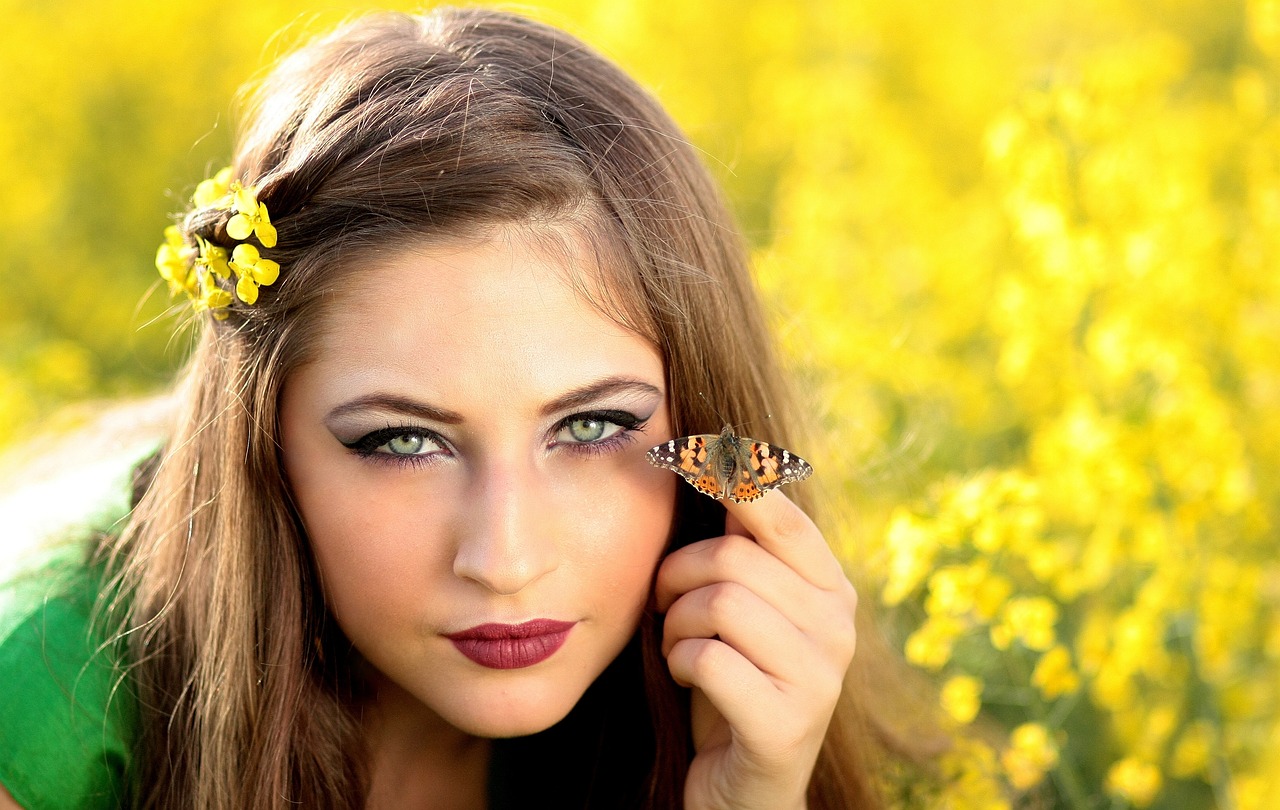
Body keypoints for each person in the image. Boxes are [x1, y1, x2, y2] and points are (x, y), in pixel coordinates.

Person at [0, 7, 934, 808]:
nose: (505, 561)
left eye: (593, 427)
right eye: (405, 440)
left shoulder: (756, 685)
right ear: (260, 442)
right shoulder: (44, 710)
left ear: (706, 435)